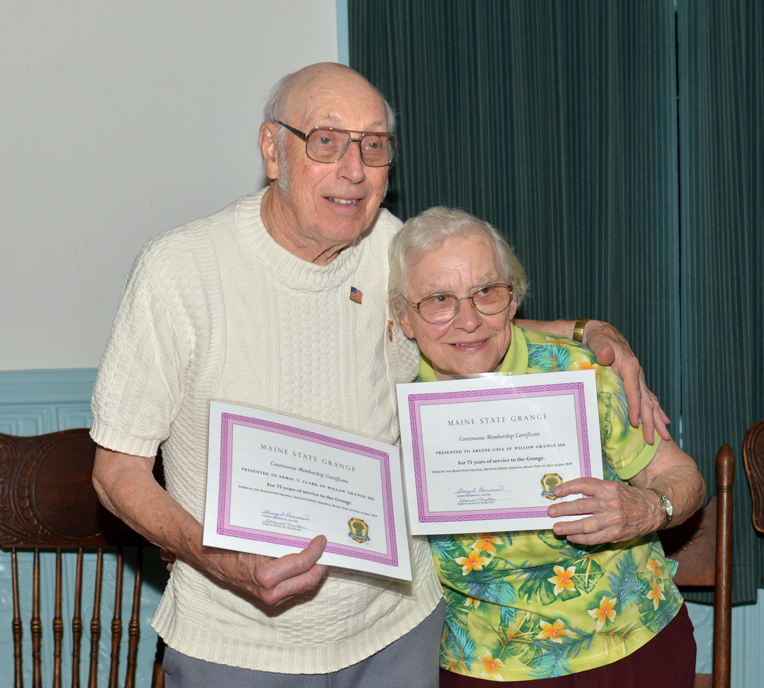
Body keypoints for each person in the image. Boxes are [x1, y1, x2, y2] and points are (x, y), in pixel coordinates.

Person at [91, 63, 670, 687]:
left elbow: (465, 318)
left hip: (396, 633)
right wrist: (216, 558)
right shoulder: (179, 271)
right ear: (272, 149)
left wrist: (589, 331)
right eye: (326, 140)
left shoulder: (391, 248)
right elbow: (115, 471)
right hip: (238, 641)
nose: (353, 169)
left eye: (374, 146)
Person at [388, 206, 705, 687]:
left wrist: (649, 507)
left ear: (512, 299)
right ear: (404, 318)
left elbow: (683, 478)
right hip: (484, 666)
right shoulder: (386, 406)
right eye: (438, 299)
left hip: (633, 644)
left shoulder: (581, 372)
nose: (468, 320)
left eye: (486, 292)